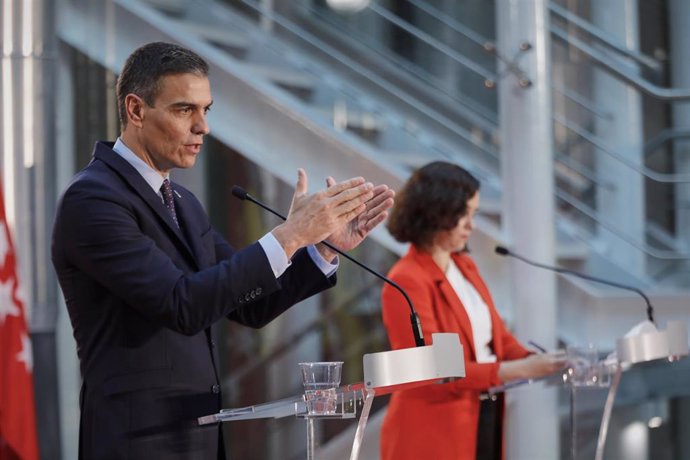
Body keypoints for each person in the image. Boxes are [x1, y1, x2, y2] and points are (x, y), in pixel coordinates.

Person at [51, 41, 394, 460]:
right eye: (184, 110)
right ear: (137, 110)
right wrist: (288, 236)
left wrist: (318, 247)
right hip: (138, 443)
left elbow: (248, 306)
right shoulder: (94, 200)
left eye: (206, 109)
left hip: (199, 437)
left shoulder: (183, 202)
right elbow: (182, 304)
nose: (203, 127)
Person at [379, 161, 564, 460]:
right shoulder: (405, 280)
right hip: (432, 434)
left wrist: (544, 360)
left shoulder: (465, 265)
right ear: (435, 214)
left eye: (473, 214)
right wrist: (516, 370)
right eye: (463, 215)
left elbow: (499, 340)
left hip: (483, 414)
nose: (471, 225)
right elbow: (433, 373)